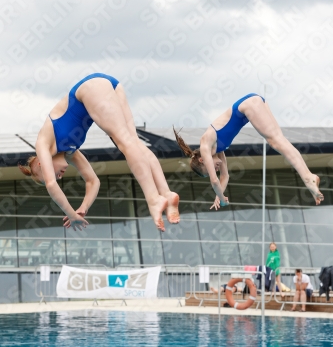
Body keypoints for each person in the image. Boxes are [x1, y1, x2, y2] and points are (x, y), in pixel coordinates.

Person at [18, 74, 180, 232]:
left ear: (41, 163)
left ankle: (153, 199)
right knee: (134, 143)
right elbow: (92, 181)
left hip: (91, 88)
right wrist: (83, 207)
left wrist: (71, 215)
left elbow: (51, 184)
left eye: (48, 174)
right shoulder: (69, 152)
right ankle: (166, 193)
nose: (58, 177)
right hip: (110, 86)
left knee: (125, 142)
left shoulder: (43, 143)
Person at [174, 93, 324, 208]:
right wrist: (219, 196)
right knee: (278, 140)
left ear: (202, 160)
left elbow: (214, 181)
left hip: (247, 106)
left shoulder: (206, 144)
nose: (216, 169)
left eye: (211, 168)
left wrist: (221, 196)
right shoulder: (218, 150)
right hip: (252, 103)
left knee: (276, 141)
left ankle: (307, 178)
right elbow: (224, 177)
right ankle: (308, 176)